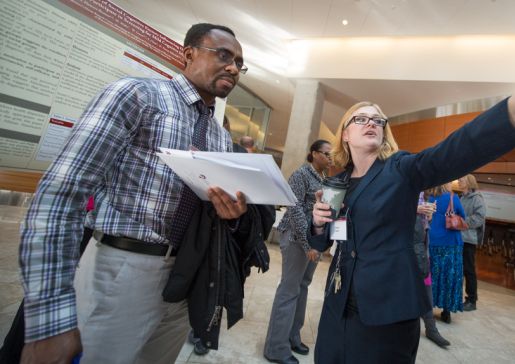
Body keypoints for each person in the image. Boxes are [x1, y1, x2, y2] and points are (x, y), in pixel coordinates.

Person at [18, 23, 258, 364]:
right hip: (123, 269)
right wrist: (49, 321)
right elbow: (60, 197)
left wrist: (228, 213)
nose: (233, 68)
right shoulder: (136, 95)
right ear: (188, 53)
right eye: (223, 55)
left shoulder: (220, 138)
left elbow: (204, 212)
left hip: (185, 277)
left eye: (239, 62)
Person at [310, 97, 515, 363]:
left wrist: (508, 114)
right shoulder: (337, 183)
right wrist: (316, 222)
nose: (371, 122)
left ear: (384, 133)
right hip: (338, 303)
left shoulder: (400, 169)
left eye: (377, 120)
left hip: (388, 309)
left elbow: (451, 152)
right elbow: (321, 242)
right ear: (345, 134)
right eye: (360, 118)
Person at [264, 139, 332, 364]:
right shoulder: (300, 175)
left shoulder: (322, 178)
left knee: (302, 287)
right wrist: (307, 244)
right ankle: (275, 348)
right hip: (295, 239)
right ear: (313, 154)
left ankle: (293, 336)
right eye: (326, 154)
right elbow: (294, 212)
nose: (330, 158)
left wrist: (319, 241)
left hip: (312, 240)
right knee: (289, 290)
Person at [414, 193, 450, 347]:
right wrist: (416, 209)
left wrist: (429, 215)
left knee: (426, 284)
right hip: (403, 244)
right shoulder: (400, 183)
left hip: (421, 244)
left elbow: (425, 221)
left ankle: (431, 328)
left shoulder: (421, 191)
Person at [427, 183, 466, 324]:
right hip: (451, 243)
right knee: (449, 275)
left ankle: (428, 309)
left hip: (434, 241)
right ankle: (446, 312)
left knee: (433, 275)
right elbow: (463, 215)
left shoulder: (430, 198)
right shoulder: (453, 197)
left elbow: (426, 218)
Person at [458, 174, 487, 311]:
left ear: (468, 182)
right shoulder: (461, 197)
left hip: (469, 239)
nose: (458, 181)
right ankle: (458, 297)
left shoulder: (477, 198)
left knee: (469, 270)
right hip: (459, 238)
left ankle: (471, 300)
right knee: (459, 269)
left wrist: (462, 222)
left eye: (461, 179)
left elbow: (479, 217)